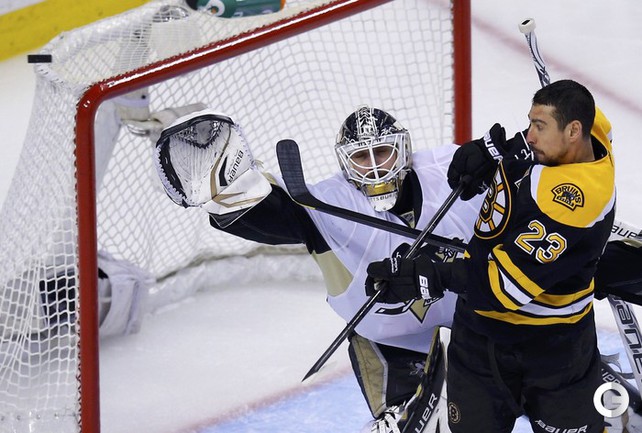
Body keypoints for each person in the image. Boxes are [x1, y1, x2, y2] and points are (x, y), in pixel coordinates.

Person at [153, 105, 486, 431]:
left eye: (383, 152)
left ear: (404, 149)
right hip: (392, 342)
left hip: (481, 320)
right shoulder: (330, 203)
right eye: (361, 157)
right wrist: (229, 191)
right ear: (344, 162)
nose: (374, 167)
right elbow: (276, 212)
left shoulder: (450, 170)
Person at [366, 79, 615, 433]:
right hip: (478, 340)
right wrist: (499, 150)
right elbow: (563, 124)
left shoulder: (574, 200)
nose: (530, 136)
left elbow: (503, 288)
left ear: (574, 131)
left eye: (539, 127)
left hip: (553, 349)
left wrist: (430, 276)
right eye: (530, 124)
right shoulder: (589, 132)